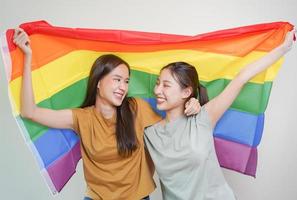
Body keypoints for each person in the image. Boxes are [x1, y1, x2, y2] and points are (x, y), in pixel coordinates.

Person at [13, 28, 201, 200]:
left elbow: (173, 129)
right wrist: (28, 56)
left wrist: (191, 103)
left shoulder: (136, 108)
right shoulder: (82, 118)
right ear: (98, 82)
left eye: (126, 81)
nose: (123, 87)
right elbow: (29, 111)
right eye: (117, 80)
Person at [144, 30, 296, 200]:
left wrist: (283, 48)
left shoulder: (203, 118)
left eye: (166, 85)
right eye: (157, 83)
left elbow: (242, 77)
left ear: (186, 91)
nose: (157, 90)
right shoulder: (149, 134)